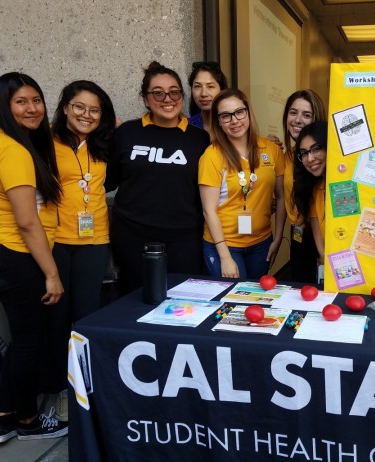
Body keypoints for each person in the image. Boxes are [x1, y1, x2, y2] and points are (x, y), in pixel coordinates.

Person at [0, 80, 118, 422]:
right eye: (79, 106)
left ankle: (85, 387)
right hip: (56, 243)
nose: (86, 114)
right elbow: (11, 187)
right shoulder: (42, 139)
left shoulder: (107, 141)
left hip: (95, 241)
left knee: (85, 319)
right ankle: (57, 391)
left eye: (94, 109)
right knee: (55, 323)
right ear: (64, 107)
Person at [0, 72, 68, 442]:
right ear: (3, 106)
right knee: (29, 341)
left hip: (0, 251)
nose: (32, 109)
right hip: (16, 254)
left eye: (36, 100)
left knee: (25, 338)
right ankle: (27, 421)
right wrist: (52, 274)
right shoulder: (12, 150)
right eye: (21, 102)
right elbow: (28, 222)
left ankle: (7, 417)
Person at [107, 61, 211, 294]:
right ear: (145, 98)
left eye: (174, 92)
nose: (167, 99)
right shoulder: (127, 133)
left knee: (182, 303)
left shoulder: (199, 139)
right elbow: (108, 180)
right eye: (158, 93)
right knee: (134, 301)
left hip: (183, 240)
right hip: (132, 238)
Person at [199, 88, 286, 280]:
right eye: (226, 116)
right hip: (225, 244)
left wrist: (278, 238)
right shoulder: (212, 156)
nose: (235, 120)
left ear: (248, 112)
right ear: (219, 122)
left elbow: (281, 197)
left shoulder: (271, 150)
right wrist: (225, 256)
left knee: (254, 298)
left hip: (262, 243)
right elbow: (209, 210)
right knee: (234, 299)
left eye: (239, 112)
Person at [276, 90, 326, 283]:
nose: (297, 120)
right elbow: (282, 197)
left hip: (326, 234)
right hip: (298, 233)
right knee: (300, 287)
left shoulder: (326, 158)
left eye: (306, 115)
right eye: (293, 112)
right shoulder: (284, 156)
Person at [292, 122, 328, 280]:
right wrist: (324, 258)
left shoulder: (348, 186)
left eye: (316, 149)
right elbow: (315, 224)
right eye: (304, 153)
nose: (310, 158)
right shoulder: (314, 188)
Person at [187, 61, 228, 134]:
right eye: (198, 86)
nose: (203, 94)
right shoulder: (186, 127)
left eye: (210, 86)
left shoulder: (234, 124)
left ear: (221, 89)